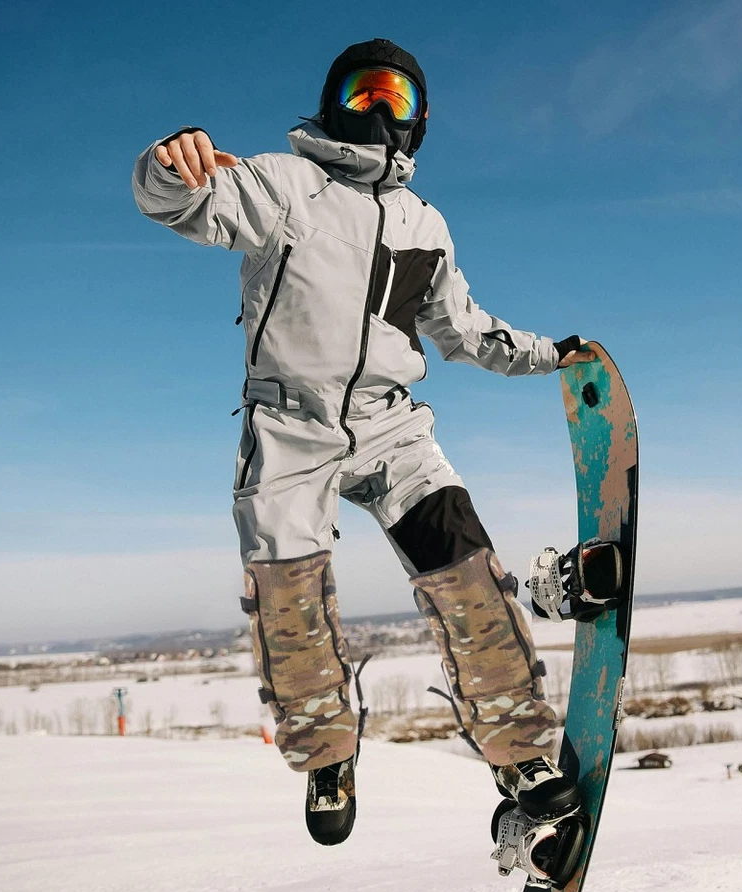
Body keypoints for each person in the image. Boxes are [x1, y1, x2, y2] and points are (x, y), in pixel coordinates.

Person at [133, 38, 594, 846]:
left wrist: (546, 355)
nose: (378, 109)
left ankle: (522, 756)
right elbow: (182, 203)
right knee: (289, 596)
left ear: (419, 123)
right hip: (288, 425)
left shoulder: (427, 224)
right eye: (362, 89)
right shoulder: (285, 183)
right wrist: (170, 164)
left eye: (397, 97)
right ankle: (326, 754)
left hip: (390, 425)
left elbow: (463, 331)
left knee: (464, 569)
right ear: (332, 100)